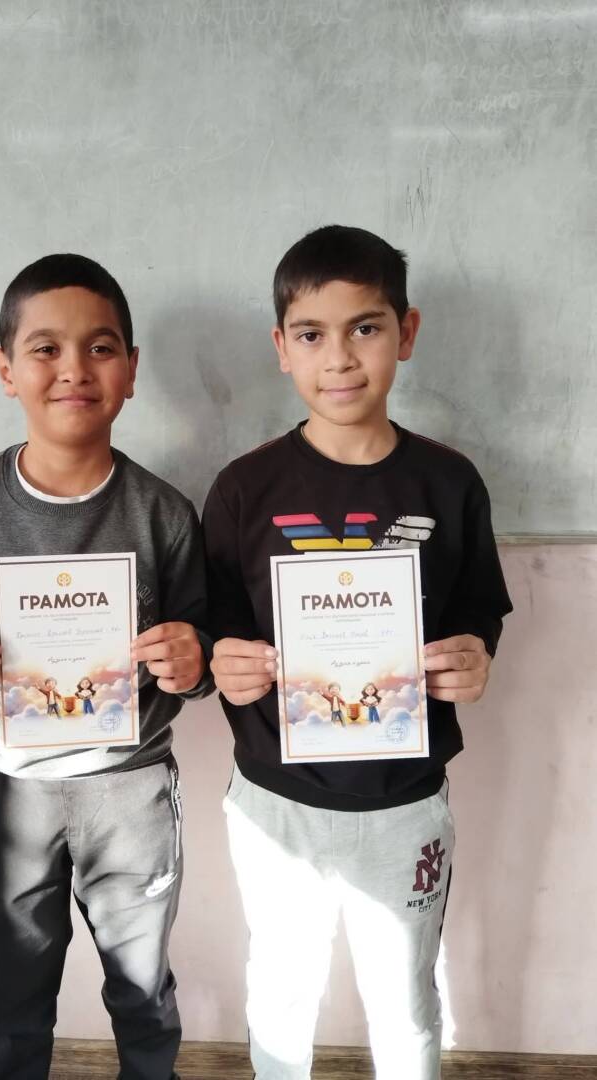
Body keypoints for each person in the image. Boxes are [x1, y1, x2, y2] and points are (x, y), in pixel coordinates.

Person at [0, 254, 212, 1080]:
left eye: (101, 348)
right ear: (6, 369)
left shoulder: (165, 513)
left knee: (143, 992)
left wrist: (192, 659)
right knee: (13, 997)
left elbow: (202, 650)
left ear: (130, 369)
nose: (74, 369)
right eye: (45, 349)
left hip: (131, 790)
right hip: (11, 791)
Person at [202, 225, 512, 1080]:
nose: (338, 358)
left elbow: (480, 608)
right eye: (311, 334)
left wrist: (475, 655)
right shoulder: (243, 489)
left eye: (365, 328)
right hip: (275, 800)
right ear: (281, 348)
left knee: (406, 999)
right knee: (281, 992)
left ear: (405, 332)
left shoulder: (449, 483)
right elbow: (213, 627)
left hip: (405, 801)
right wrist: (223, 660)